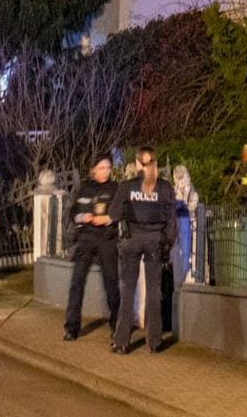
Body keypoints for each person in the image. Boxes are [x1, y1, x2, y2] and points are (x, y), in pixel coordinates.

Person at [108, 146, 176, 355]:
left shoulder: (127, 186)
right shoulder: (165, 188)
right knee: (154, 291)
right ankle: (155, 342)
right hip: (155, 242)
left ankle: (121, 342)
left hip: (131, 240)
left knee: (128, 290)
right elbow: (171, 222)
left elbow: (114, 213)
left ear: (137, 164)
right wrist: (166, 243)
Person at [64, 153, 120, 341]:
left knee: (111, 283)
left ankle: (116, 324)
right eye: (102, 168)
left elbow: (120, 212)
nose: (105, 171)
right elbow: (73, 213)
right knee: (77, 282)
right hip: (86, 237)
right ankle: (72, 327)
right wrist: (83, 218)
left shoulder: (114, 189)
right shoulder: (84, 189)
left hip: (106, 238)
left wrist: (107, 219)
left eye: (108, 168)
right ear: (93, 169)